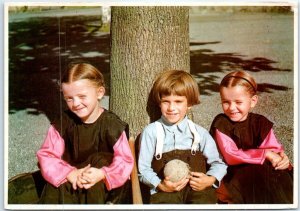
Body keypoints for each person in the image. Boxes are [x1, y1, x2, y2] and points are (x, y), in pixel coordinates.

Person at [36, 62, 134, 204]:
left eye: (82, 96)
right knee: (54, 186)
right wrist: (69, 173)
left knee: (101, 160)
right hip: (69, 179)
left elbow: (124, 160)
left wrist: (102, 174)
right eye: (69, 98)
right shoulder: (63, 123)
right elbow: (47, 155)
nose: (75, 103)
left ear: (99, 93)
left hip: (100, 185)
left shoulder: (112, 125)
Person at [138, 70, 227, 204]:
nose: (171, 108)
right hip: (165, 192)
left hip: (198, 191)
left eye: (178, 101)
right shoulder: (151, 132)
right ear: (159, 103)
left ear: (189, 104)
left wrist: (210, 180)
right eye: (166, 101)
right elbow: (143, 169)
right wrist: (160, 185)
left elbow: (218, 163)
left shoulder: (200, 133)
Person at [209, 70, 293, 204]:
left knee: (279, 177)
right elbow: (231, 156)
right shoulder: (221, 124)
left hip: (259, 170)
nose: (232, 108)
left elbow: (272, 147)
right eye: (226, 102)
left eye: (238, 102)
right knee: (254, 180)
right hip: (233, 172)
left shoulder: (260, 123)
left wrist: (281, 157)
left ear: (253, 101)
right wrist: (265, 154)